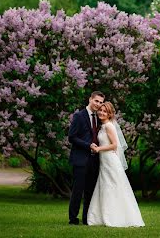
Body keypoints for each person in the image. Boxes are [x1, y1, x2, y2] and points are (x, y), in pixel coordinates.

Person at [87, 101, 145, 227]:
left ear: (110, 114)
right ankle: (100, 217)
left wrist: (98, 149)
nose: (101, 113)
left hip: (110, 161)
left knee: (112, 186)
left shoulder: (109, 126)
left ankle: (115, 217)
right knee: (105, 186)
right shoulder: (102, 126)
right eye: (100, 110)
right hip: (105, 161)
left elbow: (114, 145)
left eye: (105, 111)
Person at [68, 90, 105, 225]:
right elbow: (71, 137)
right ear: (90, 99)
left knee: (90, 191)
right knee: (77, 191)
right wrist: (88, 145)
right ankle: (73, 219)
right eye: (96, 101)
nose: (98, 104)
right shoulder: (79, 116)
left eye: (101, 102)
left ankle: (86, 219)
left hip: (95, 161)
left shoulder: (99, 118)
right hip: (80, 159)